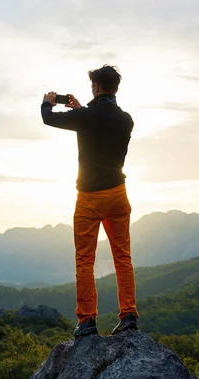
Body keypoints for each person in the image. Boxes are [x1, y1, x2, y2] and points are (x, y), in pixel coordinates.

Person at [41, 65, 138, 336]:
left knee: (85, 260)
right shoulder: (126, 119)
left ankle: (87, 321)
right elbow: (98, 123)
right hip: (118, 194)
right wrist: (81, 109)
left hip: (89, 197)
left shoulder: (86, 117)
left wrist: (47, 102)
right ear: (115, 87)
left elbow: (49, 119)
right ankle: (129, 315)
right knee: (123, 257)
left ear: (95, 86)